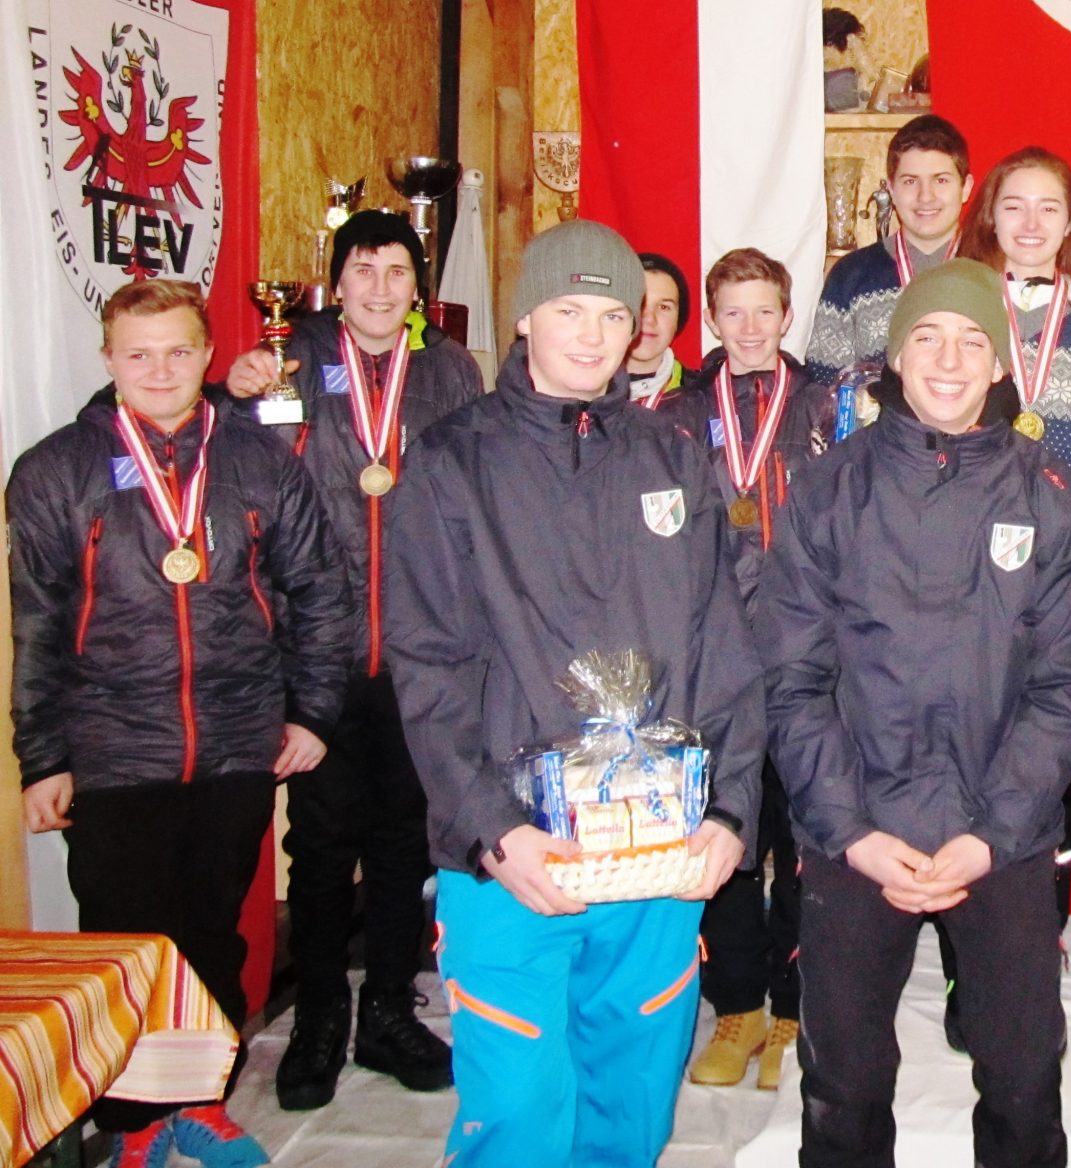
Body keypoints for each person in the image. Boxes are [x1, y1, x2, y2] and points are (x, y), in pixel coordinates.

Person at [381, 219, 765, 1168]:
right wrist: (487, 826)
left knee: (634, 1090)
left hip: (660, 849)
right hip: (518, 852)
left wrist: (729, 809)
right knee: (517, 1108)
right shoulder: (450, 463)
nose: (594, 336)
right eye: (567, 310)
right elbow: (426, 665)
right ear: (523, 318)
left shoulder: (674, 457)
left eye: (613, 314)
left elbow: (727, 642)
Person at [757, 259, 1071, 1168]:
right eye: (927, 336)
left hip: (1002, 833)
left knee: (1025, 1078)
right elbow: (793, 680)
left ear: (1000, 363)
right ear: (895, 356)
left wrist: (995, 831)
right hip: (857, 831)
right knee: (844, 1084)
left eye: (972, 340)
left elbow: (1067, 685)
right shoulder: (828, 490)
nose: (949, 359)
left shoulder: (1054, 498)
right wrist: (850, 831)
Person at [9, 279, 354, 1168]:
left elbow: (320, 593)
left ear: (207, 355)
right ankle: (131, 1129)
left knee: (209, 933)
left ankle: (196, 1105)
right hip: (114, 748)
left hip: (239, 736)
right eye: (138, 353)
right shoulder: (53, 471)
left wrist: (312, 710)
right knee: (124, 945)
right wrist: (42, 758)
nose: (159, 369)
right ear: (109, 360)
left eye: (176, 351)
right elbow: (38, 625)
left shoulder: (259, 462)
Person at [221, 210, 482, 1110]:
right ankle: (322, 1015)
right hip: (320, 652)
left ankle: (387, 1008)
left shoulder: (451, 371)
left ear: (418, 287)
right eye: (361, 271)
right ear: (337, 284)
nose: (378, 288)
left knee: (407, 838)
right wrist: (231, 387)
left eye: (396, 271)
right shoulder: (285, 360)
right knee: (324, 844)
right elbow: (213, 459)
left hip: (418, 648)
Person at [667, 247, 833, 1091]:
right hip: (713, 663)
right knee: (726, 838)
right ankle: (735, 1007)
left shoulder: (829, 406)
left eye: (765, 310)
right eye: (733, 312)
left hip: (808, 659)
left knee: (805, 841)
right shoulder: (675, 414)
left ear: (787, 311)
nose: (751, 327)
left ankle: (795, 1005)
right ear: (711, 318)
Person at [960, 145, 1071, 594]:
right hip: (966, 562)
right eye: (1014, 207)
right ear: (990, 219)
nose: (1031, 224)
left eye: (1048, 208)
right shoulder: (960, 325)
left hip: (1067, 569)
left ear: (1070, 223)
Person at [807, 113, 975, 385]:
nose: (925, 196)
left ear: (965, 188)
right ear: (892, 190)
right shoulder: (851, 276)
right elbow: (826, 387)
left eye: (941, 180)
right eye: (910, 181)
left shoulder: (993, 270)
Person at [625, 251, 691, 409]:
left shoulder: (704, 396)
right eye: (640, 303)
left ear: (678, 320)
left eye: (664, 307)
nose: (649, 318)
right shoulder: (580, 389)